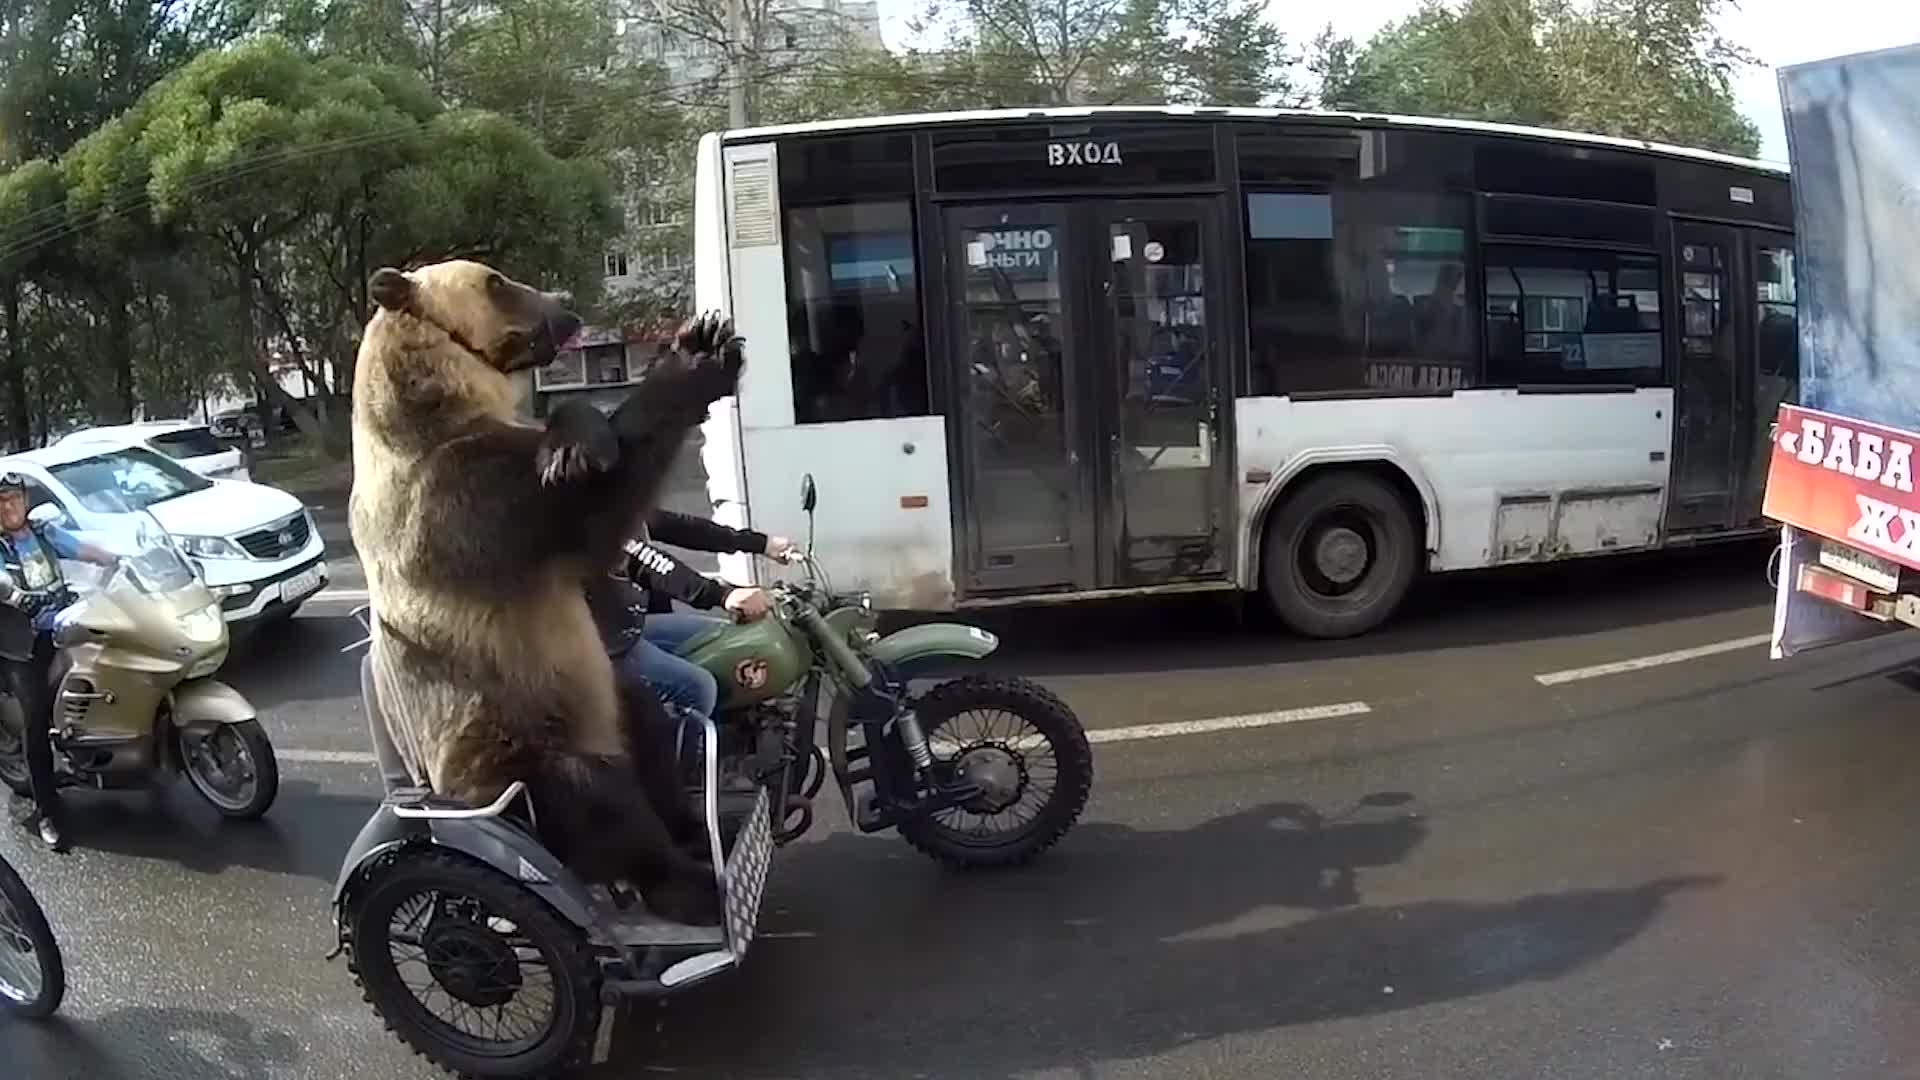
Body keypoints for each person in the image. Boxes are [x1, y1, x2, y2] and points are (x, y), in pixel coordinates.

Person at [586, 508, 797, 725]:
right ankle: (673, 757)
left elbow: (682, 527)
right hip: (597, 649)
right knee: (698, 688)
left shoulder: (617, 501)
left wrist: (761, 544)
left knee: (721, 636)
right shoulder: (581, 511)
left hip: (625, 627)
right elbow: (642, 559)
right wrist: (722, 595)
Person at [0, 473, 119, 852]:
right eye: (1, 501)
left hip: (63, 626)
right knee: (35, 721)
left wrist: (118, 557)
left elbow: (81, 547)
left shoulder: (43, 533)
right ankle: (46, 810)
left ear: (24, 500)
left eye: (13, 498)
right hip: (22, 645)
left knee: (108, 665)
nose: (8, 507)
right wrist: (18, 596)